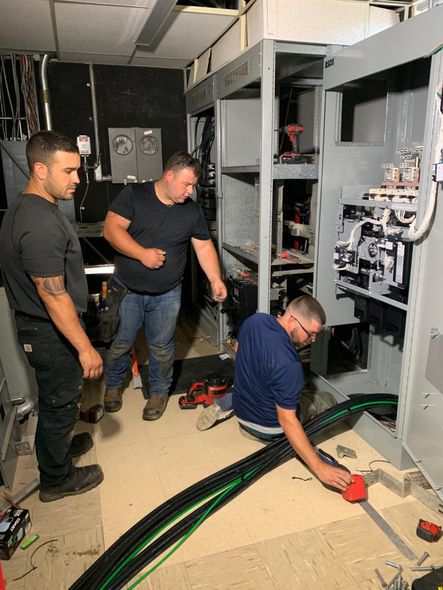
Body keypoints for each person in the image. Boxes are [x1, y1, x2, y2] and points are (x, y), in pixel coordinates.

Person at [0, 130, 104, 502]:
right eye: (69, 171)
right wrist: (85, 348)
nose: (77, 179)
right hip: (49, 331)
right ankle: (57, 479)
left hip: (39, 328)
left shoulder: (29, 207)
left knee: (55, 398)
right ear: (41, 169)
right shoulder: (40, 223)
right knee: (61, 400)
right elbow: (52, 294)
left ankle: (55, 451)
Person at [103, 151, 227, 420]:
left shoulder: (191, 211)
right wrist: (142, 254)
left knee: (161, 346)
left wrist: (215, 278)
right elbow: (111, 230)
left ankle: (158, 392)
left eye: (193, 185)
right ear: (169, 175)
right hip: (127, 291)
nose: (190, 191)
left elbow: (203, 246)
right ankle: (113, 387)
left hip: (168, 293)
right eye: (186, 184)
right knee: (119, 343)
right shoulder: (134, 195)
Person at [197, 296, 352, 492]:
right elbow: (287, 421)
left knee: (270, 378)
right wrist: (320, 468)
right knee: (326, 400)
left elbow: (238, 348)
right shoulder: (289, 364)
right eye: (310, 334)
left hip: (243, 418)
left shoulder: (256, 321)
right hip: (268, 431)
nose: (312, 340)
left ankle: (228, 401)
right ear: (293, 320)